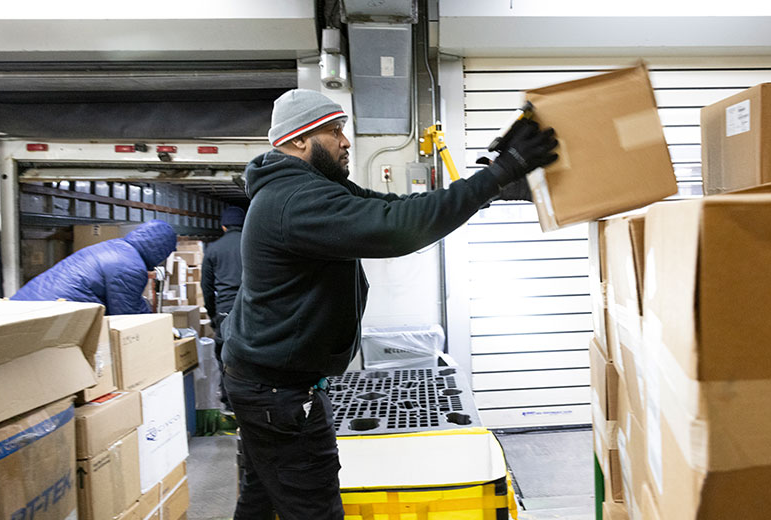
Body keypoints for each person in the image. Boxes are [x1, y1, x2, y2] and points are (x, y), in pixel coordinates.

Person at [220, 88, 557, 520]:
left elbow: (400, 206)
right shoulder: (295, 200)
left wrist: (490, 186)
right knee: (313, 508)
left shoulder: (311, 189)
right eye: (334, 131)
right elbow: (399, 229)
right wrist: (502, 170)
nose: (345, 142)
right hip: (279, 394)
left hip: (266, 384)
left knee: (263, 499)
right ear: (300, 140)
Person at [12, 219, 176, 315]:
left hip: (25, 307)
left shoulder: (116, 247)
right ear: (160, 250)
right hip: (46, 315)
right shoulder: (131, 267)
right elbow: (128, 316)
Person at [201, 206, 245, 409]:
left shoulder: (213, 249)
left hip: (225, 309)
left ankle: (229, 403)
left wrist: (212, 314)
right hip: (250, 305)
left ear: (223, 226)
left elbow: (206, 287)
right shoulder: (252, 244)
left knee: (225, 356)